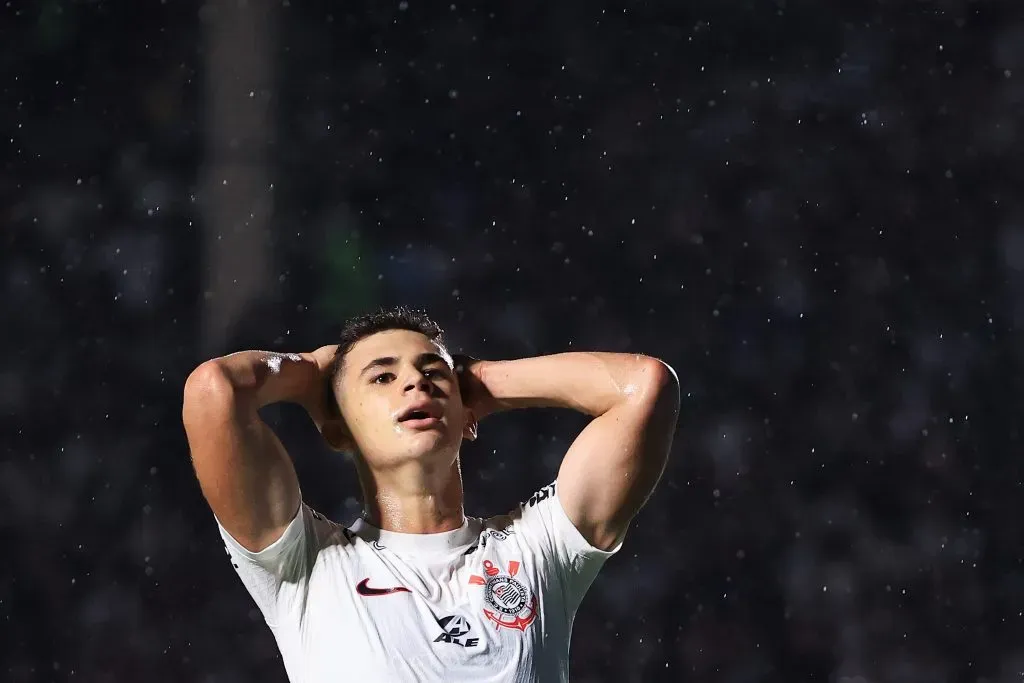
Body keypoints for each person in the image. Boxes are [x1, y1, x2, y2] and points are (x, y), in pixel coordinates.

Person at [182, 306, 679, 682]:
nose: (415, 382)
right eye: (382, 377)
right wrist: (315, 368)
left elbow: (644, 387)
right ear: (337, 430)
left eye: (433, 372)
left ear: (468, 417)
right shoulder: (307, 567)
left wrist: (480, 381)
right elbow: (215, 390)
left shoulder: (536, 550)